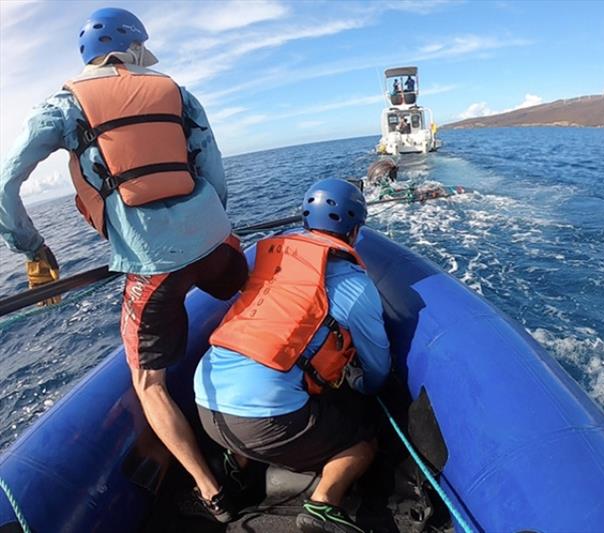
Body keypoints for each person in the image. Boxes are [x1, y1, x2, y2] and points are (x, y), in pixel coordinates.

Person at [0, 8, 247, 522]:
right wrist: (215, 230)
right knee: (245, 295)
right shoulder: (176, 92)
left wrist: (33, 249)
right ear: (133, 49)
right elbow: (213, 168)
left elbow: (5, 184)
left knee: (149, 383)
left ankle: (212, 490)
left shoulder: (64, 104)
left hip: (153, 266)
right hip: (216, 241)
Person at [194, 178, 392, 533]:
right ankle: (322, 506)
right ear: (354, 229)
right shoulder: (356, 285)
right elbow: (378, 370)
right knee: (362, 443)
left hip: (205, 403)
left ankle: (236, 466)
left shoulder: (266, 255)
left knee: (271, 387)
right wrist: (362, 384)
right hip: (259, 419)